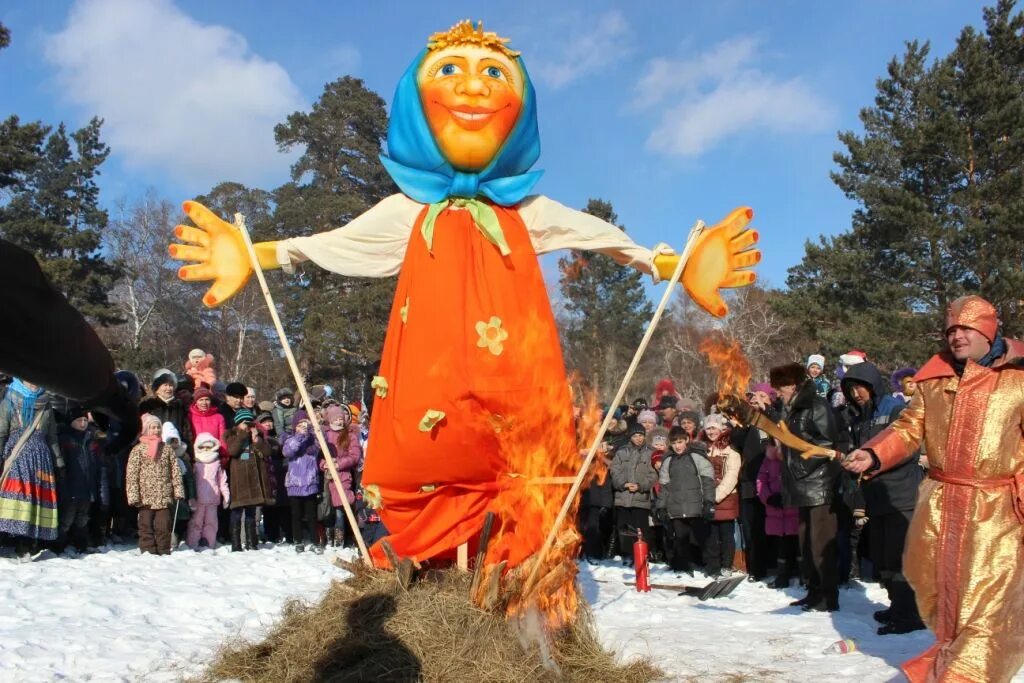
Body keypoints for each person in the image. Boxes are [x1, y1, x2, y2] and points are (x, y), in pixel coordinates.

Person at [843, 295, 1024, 682]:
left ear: (988, 330)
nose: (957, 336)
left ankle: (969, 674)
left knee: (988, 599)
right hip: (943, 505)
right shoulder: (934, 380)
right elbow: (909, 429)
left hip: (997, 509)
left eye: (966, 329)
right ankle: (953, 658)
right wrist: (874, 455)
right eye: (951, 330)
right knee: (947, 599)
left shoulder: (1017, 379)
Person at [841, 360, 924, 634]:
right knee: (883, 558)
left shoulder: (895, 409)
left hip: (901, 495)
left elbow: (907, 449)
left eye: (860, 388)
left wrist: (874, 461)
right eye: (851, 389)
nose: (856, 394)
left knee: (902, 558)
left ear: (873, 385)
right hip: (876, 497)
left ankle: (910, 615)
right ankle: (896, 606)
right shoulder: (859, 417)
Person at [770, 361, 845, 612]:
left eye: (780, 388)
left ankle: (827, 596)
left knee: (821, 544)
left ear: (793, 385)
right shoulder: (790, 410)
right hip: (802, 485)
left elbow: (826, 445)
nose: (778, 393)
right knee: (806, 543)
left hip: (819, 484)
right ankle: (813, 592)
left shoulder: (816, 406)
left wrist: (796, 464)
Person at [0, 378, 64, 555]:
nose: (33, 382)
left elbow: (52, 437)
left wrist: (58, 462)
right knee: (14, 499)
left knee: (34, 502)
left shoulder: (46, 404)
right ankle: (5, 540)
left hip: (40, 460)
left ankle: (26, 544)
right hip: (16, 457)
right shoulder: (9, 400)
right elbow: (1, 431)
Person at [126, 414, 185, 555]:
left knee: (163, 525)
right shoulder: (138, 450)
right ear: (146, 429)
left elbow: (175, 471)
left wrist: (178, 490)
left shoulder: (167, 449)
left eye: (158, 427)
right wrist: (133, 495)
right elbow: (132, 474)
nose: (156, 430)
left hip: (163, 494)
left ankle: (163, 549)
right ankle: (148, 550)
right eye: (152, 427)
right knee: (145, 525)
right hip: (144, 495)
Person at [660, 427, 715, 574]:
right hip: (676, 508)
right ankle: (684, 568)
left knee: (704, 540)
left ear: (687, 440)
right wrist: (660, 507)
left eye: (680, 442)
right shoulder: (668, 461)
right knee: (681, 541)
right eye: (674, 443)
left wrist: (709, 503)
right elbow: (664, 487)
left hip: (696, 507)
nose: (677, 446)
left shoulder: (696, 457)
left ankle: (712, 569)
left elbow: (708, 481)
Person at [222, 408, 274, 552]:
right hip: (239, 480)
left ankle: (252, 542)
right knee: (237, 513)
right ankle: (236, 544)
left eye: (251, 423)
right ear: (238, 423)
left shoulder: (257, 435)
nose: (249, 426)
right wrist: (243, 435)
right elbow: (232, 451)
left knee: (251, 512)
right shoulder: (232, 435)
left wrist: (257, 440)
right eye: (245, 423)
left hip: (253, 480)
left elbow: (268, 452)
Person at [56, 407, 103, 554]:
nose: (83, 423)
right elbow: (62, 465)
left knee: (83, 519)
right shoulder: (65, 440)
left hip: (87, 487)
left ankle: (81, 544)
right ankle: (58, 545)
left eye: (84, 420)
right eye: (78, 420)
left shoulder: (90, 439)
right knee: (67, 519)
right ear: (71, 422)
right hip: (70, 487)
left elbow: (97, 464)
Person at [610, 423, 657, 567]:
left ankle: (643, 554)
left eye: (641, 435)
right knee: (624, 529)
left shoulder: (651, 452)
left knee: (641, 529)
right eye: (635, 435)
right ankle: (627, 555)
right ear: (630, 437)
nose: (638, 438)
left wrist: (640, 486)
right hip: (622, 497)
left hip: (640, 498)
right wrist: (623, 484)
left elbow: (653, 474)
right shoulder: (621, 452)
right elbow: (614, 471)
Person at [702, 413, 740, 578]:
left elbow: (731, 476)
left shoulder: (730, 452)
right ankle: (712, 566)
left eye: (714, 428)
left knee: (726, 535)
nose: (711, 432)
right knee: (710, 536)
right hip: (706, 498)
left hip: (724, 498)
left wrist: (715, 496)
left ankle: (726, 565)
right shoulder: (702, 449)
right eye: (708, 428)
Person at [757, 441, 799, 588]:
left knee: (799, 542)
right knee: (782, 545)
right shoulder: (768, 460)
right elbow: (761, 480)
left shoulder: (796, 455)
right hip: (776, 507)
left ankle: (804, 575)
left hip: (794, 507)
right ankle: (783, 575)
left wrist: (791, 496)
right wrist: (767, 497)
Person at [282, 410, 325, 553]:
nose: (303, 427)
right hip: (294, 484)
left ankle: (314, 541)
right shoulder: (290, 439)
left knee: (312, 515)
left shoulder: (313, 440)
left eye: (305, 424)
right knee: (296, 515)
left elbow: (321, 442)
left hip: (310, 483)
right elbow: (288, 451)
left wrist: (312, 429)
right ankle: (298, 540)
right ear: (295, 426)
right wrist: (300, 435)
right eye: (300, 424)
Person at [322, 404, 361, 547]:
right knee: (328, 510)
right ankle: (328, 539)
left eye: (340, 418)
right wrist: (324, 464)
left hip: (343, 476)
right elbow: (319, 455)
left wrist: (338, 464)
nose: (339, 421)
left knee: (340, 510)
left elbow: (355, 456)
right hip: (327, 479)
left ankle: (340, 540)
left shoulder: (350, 435)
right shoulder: (325, 435)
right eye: (336, 419)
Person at [186, 433, 230, 549]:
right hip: (198, 500)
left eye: (208, 447)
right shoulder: (196, 465)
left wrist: (226, 495)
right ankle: (193, 543)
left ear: (213, 447)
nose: (206, 449)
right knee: (196, 523)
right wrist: (190, 498)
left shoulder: (217, 464)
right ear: (198, 448)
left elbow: (222, 481)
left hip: (212, 500)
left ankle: (208, 543)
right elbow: (190, 482)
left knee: (211, 523)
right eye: (203, 447)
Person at [140, 370, 193, 455]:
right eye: (165, 385)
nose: (168, 388)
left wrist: (189, 452)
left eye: (171, 385)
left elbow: (186, 431)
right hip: (153, 449)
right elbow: (141, 430)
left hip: (176, 449)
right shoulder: (148, 406)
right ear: (157, 389)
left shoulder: (179, 406)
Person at [579, 439, 614, 563]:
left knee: (593, 529)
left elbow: (606, 486)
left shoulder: (602, 465)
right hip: (581, 501)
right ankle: (581, 553)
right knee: (581, 528)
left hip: (595, 502)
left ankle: (594, 554)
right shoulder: (580, 464)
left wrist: (606, 504)